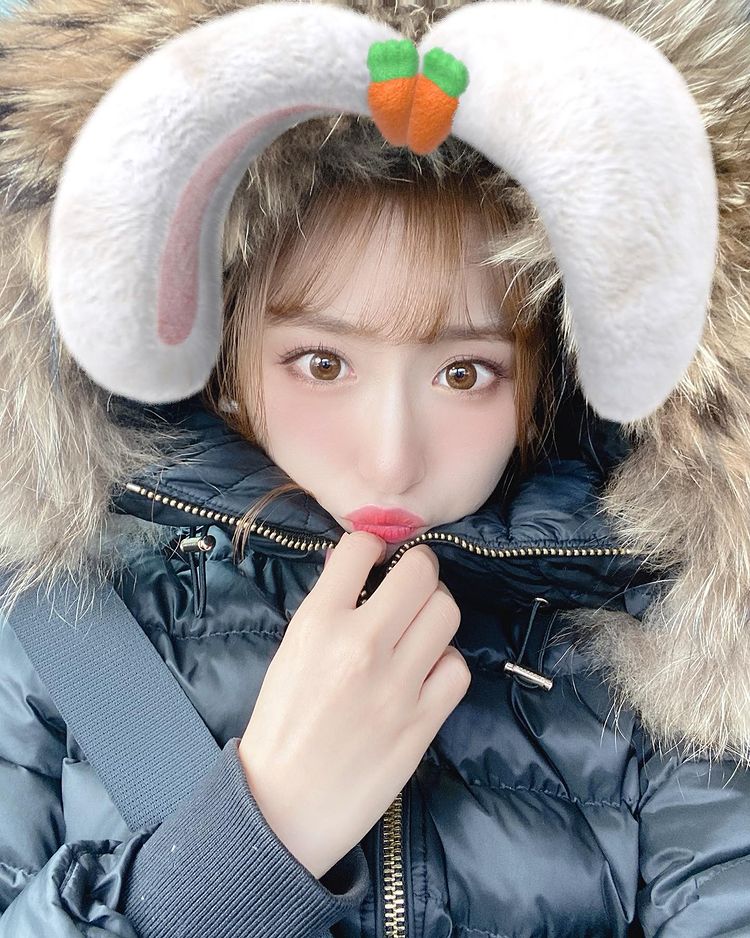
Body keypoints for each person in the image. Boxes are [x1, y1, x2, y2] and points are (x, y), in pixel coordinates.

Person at [0, 0, 749, 936]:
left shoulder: (664, 676)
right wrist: (261, 835)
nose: (392, 458)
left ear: (552, 377)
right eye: (322, 363)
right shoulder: (56, 634)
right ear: (217, 354)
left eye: (465, 373)